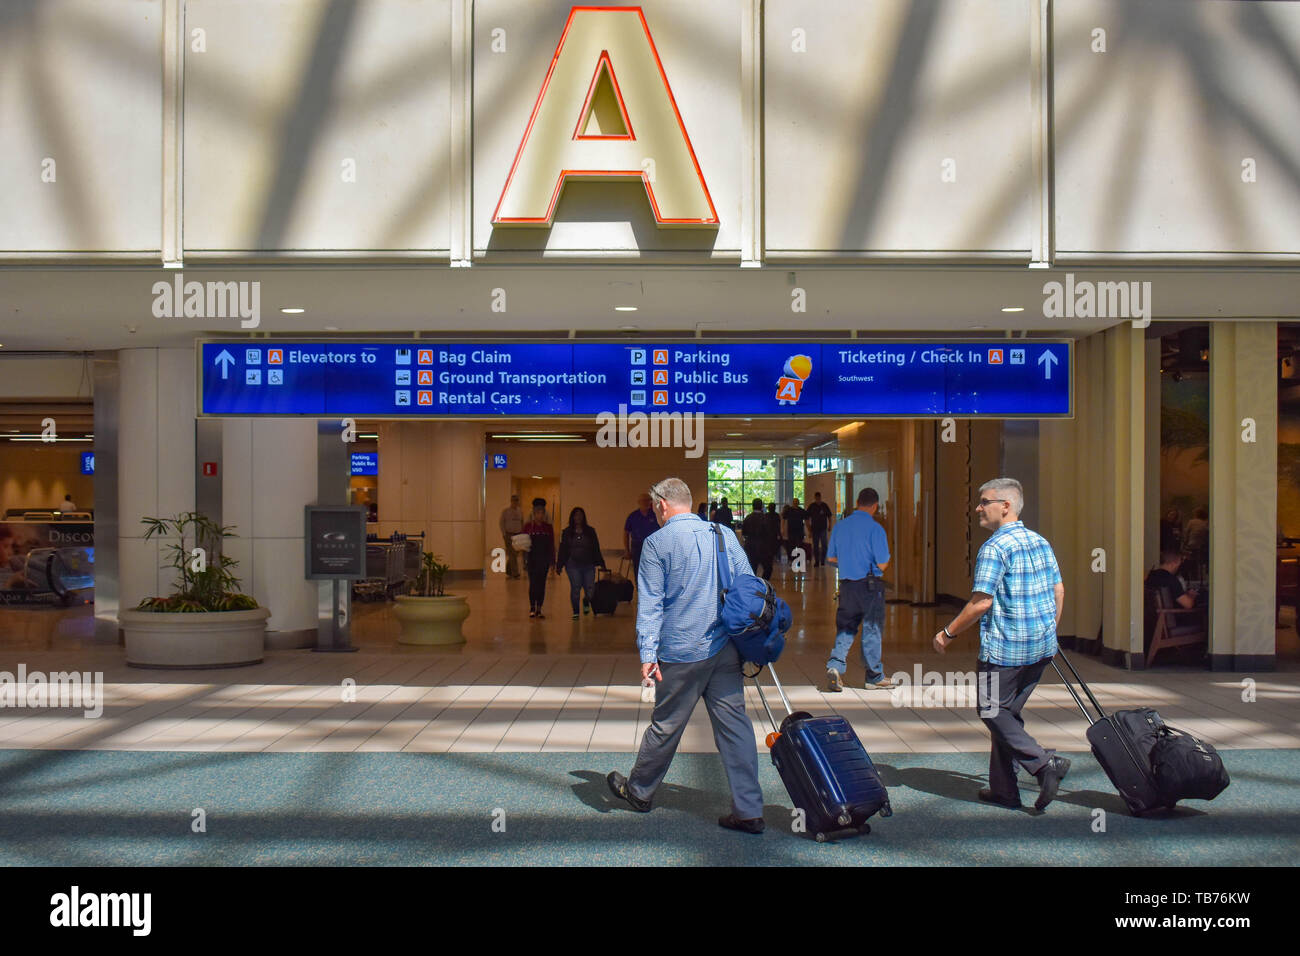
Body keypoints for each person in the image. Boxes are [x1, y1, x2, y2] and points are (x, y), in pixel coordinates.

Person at [606, 477, 765, 834]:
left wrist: (648, 653)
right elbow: (749, 588)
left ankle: (640, 791)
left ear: (662, 505)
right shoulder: (724, 535)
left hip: (680, 653)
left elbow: (650, 605)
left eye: (655, 508)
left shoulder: (656, 543)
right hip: (726, 649)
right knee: (735, 727)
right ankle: (749, 810)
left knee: (666, 724)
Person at [933, 477, 1069, 812]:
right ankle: (1004, 790)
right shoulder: (1039, 541)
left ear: (1005, 506)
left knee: (991, 710)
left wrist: (947, 633)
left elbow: (981, 603)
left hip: (1006, 651)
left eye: (984, 502)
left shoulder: (995, 548)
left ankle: (1042, 762)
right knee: (1006, 714)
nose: (978, 508)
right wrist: (1048, 630)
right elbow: (1059, 590)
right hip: (1040, 649)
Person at [824, 487, 893, 692]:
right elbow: (882, 564)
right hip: (870, 586)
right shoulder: (876, 529)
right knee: (871, 629)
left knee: (846, 627)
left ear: (857, 502)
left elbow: (831, 558)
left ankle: (835, 665)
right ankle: (874, 676)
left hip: (847, 585)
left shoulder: (840, 526)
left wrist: (847, 564)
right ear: (875, 506)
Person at [556, 507, 607, 619]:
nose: (578, 517)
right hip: (572, 565)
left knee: (590, 589)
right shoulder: (567, 532)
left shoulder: (590, 531)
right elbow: (563, 549)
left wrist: (602, 563)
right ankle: (576, 612)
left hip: (588, 564)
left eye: (580, 515)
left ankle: (586, 601)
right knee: (576, 588)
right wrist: (559, 565)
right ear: (572, 517)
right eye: (576, 515)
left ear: (583, 517)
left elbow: (596, 548)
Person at [522, 498, 555, 618]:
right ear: (533, 513)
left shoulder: (548, 527)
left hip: (544, 560)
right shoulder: (528, 527)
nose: (539, 515)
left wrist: (552, 561)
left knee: (542, 584)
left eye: (542, 513)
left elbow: (551, 544)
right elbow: (523, 545)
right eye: (537, 513)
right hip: (532, 559)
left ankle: (539, 608)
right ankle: (532, 607)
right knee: (533, 584)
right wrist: (524, 561)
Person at [624, 492, 659, 579]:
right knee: (638, 572)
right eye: (643, 501)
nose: (646, 503)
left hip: (652, 546)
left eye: (648, 500)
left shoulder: (655, 515)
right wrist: (627, 550)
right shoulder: (633, 516)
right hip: (637, 546)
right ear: (639, 502)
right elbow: (626, 533)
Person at [740, 497, 773, 580]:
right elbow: (769, 533)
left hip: (750, 546)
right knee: (768, 568)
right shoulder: (766, 518)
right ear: (761, 506)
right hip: (763, 546)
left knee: (752, 569)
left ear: (752, 506)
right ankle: (763, 583)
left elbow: (744, 533)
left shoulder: (748, 518)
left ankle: (752, 585)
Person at [499, 494, 524, 579]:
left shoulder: (520, 511)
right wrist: (504, 534)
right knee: (512, 554)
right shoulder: (506, 511)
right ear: (511, 501)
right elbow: (501, 523)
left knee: (515, 554)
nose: (515, 502)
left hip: (518, 534)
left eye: (517, 500)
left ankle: (509, 570)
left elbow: (522, 522)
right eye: (514, 500)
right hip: (509, 534)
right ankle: (515, 573)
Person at [807, 491, 833, 567]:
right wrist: (809, 529)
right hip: (814, 529)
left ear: (820, 497)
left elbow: (829, 516)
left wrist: (830, 525)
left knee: (824, 545)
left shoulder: (824, 505)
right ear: (815, 498)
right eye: (816, 498)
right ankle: (817, 561)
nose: (818, 499)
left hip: (823, 528)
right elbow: (807, 518)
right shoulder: (812, 506)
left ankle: (822, 560)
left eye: (819, 498)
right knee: (815, 546)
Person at [784, 497, 807, 564]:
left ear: (798, 503)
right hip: (791, 531)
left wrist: (808, 530)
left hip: (800, 531)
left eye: (796, 502)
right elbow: (784, 519)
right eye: (794, 502)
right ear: (793, 503)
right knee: (791, 546)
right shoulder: (789, 510)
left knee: (800, 545)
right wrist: (783, 529)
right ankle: (792, 560)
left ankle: (799, 560)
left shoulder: (801, 510)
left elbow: (806, 520)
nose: (795, 503)